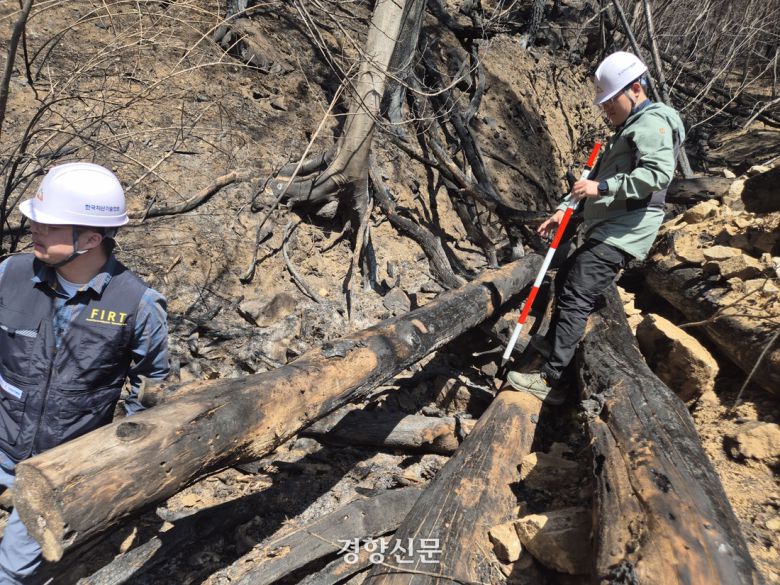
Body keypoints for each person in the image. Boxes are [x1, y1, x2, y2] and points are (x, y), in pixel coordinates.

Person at [0, 162, 169, 583]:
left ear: (91, 238)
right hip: (0, 438)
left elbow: (150, 389)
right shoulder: (9, 275)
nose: (34, 229)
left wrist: (114, 459)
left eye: (49, 225)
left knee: (12, 571)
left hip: (61, 464)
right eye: (36, 219)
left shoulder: (138, 304)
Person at [506, 51, 685, 404]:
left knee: (576, 291)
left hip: (626, 230)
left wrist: (601, 188)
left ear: (635, 89)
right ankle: (554, 346)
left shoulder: (654, 122)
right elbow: (593, 182)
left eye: (610, 101)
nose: (607, 109)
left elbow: (657, 175)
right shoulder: (629, 128)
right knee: (568, 276)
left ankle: (552, 379)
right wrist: (565, 211)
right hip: (611, 225)